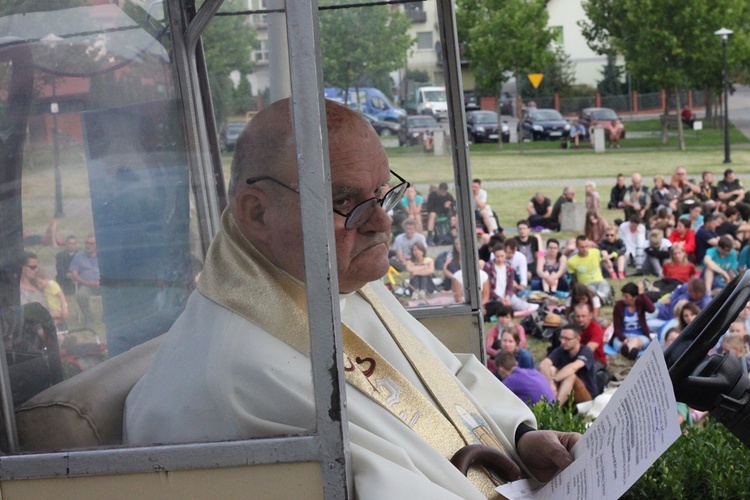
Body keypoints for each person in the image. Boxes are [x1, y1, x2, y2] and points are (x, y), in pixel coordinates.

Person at [125, 99, 579, 495]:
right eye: (345, 201)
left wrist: (520, 439)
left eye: (383, 194)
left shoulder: (333, 280)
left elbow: (443, 376)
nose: (383, 223)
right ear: (258, 213)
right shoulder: (242, 373)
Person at [539, 324, 599, 406]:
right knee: (551, 369)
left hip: (586, 398)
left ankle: (555, 408)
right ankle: (550, 402)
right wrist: (550, 382)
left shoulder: (586, 351)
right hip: (567, 393)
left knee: (570, 376)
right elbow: (544, 364)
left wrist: (554, 380)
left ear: (578, 339)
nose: (562, 342)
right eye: (561, 338)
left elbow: (573, 367)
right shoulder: (561, 350)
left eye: (567, 339)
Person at [483, 245, 537, 316]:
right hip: (493, 298)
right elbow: (488, 289)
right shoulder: (488, 267)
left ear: (505, 255)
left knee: (524, 307)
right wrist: (500, 299)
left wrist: (507, 297)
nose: (499, 259)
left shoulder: (509, 267)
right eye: (497, 256)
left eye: (502, 256)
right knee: (498, 307)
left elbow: (510, 286)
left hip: (507, 296)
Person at [610, 282, 655, 360]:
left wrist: (642, 294)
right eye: (623, 296)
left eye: (626, 296)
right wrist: (624, 339)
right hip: (623, 336)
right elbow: (617, 327)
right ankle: (630, 350)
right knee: (618, 342)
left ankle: (628, 350)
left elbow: (652, 309)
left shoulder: (640, 303)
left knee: (637, 341)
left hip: (639, 336)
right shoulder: (619, 306)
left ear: (634, 297)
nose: (623, 298)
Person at [566, 235, 611, 305]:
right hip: (586, 284)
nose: (585, 249)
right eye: (582, 247)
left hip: (599, 280)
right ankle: (602, 299)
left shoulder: (596, 252)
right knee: (590, 290)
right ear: (577, 246)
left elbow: (599, 265)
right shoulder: (571, 261)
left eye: (587, 246)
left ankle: (599, 299)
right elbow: (573, 278)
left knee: (604, 285)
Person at [68, 234, 101, 327]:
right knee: (80, 295)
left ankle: (106, 316)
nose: (88, 245)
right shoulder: (79, 256)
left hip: (103, 284)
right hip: (86, 284)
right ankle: (88, 316)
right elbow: (74, 274)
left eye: (91, 243)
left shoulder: (103, 255)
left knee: (116, 291)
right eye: (86, 243)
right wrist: (86, 282)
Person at [573, 302, 607, 367]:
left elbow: (588, 350)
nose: (580, 319)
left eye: (583, 316)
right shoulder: (572, 328)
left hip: (595, 360)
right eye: (578, 316)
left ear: (590, 315)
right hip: (576, 359)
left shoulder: (596, 329)